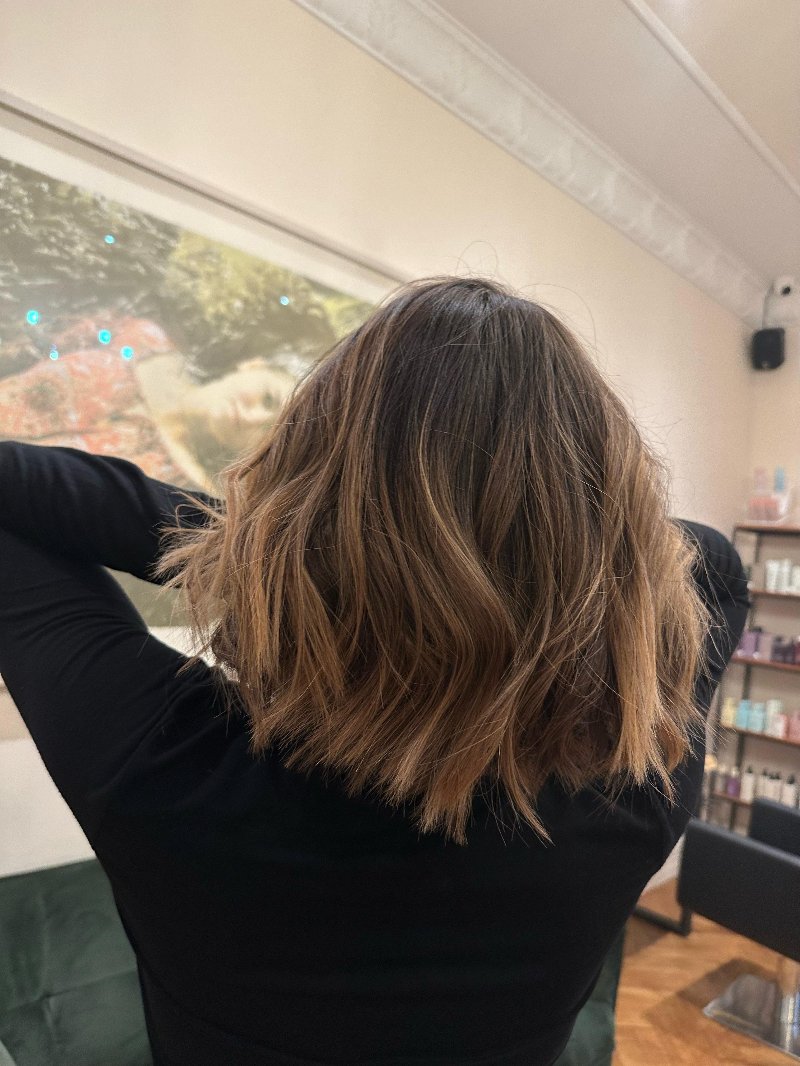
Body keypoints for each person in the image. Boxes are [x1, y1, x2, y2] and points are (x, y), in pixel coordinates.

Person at [0, 277, 748, 1066]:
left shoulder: (161, 768)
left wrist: (270, 549)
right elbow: (714, 567)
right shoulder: (641, 782)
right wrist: (571, 530)